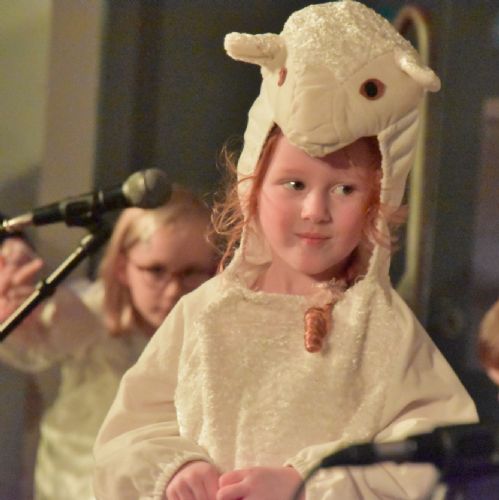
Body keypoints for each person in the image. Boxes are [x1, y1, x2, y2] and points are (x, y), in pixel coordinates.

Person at [93, 2, 478, 499]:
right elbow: (130, 433)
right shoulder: (205, 313)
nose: (315, 211)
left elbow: (430, 460)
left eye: (344, 190)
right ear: (252, 186)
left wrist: (307, 482)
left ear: (379, 202)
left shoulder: (382, 329)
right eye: (294, 184)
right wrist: (175, 468)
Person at [0, 187, 217, 500]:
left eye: (191, 272)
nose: (173, 290)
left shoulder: (214, 330)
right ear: (122, 267)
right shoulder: (89, 312)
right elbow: (39, 343)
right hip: (77, 486)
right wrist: (16, 315)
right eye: (156, 270)